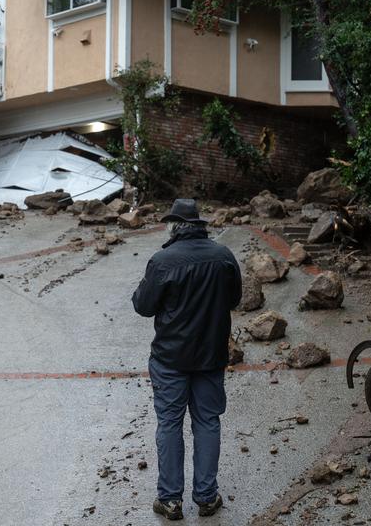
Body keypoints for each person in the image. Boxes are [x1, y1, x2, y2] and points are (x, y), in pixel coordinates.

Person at [132, 198, 242, 520]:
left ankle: (169, 500)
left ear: (174, 226)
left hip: (170, 360)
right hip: (210, 357)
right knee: (208, 422)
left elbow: (142, 305)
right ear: (199, 225)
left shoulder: (163, 260)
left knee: (169, 424)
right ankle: (206, 497)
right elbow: (234, 298)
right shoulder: (224, 257)